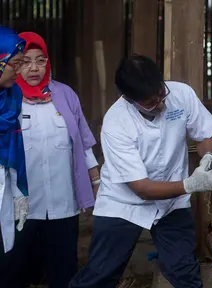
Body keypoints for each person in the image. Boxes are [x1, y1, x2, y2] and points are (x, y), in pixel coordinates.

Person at [69, 54, 212, 288]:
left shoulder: (181, 94)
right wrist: (191, 184)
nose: (161, 103)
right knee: (101, 273)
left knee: (184, 271)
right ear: (129, 99)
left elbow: (205, 134)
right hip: (123, 204)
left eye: (161, 94)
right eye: (151, 102)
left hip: (171, 204)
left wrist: (206, 158)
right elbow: (142, 189)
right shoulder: (116, 124)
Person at [0, 31, 100, 288]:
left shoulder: (66, 95)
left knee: (63, 269)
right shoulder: (7, 99)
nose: (34, 68)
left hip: (62, 201)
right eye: (25, 61)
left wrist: (96, 183)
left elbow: (82, 143)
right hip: (20, 204)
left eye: (41, 60)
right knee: (13, 269)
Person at [0, 26, 29, 255]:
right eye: (16, 63)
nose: (19, 71)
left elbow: (15, 148)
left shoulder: (13, 96)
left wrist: (19, 192)